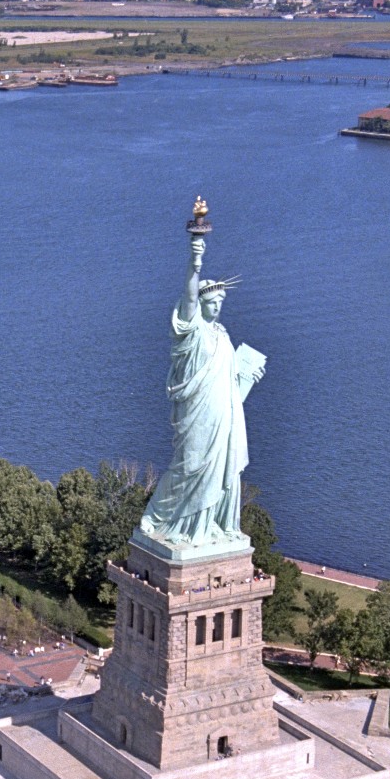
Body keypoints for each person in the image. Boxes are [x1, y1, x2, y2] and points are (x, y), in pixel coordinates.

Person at [139, 201, 265, 549]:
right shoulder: (190, 332)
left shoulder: (223, 337)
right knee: (188, 467)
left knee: (219, 470)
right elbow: (190, 294)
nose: (217, 306)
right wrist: (196, 257)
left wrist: (248, 377)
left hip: (222, 416)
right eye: (212, 302)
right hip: (196, 416)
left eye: (221, 302)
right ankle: (163, 521)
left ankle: (209, 526)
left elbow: (228, 389)